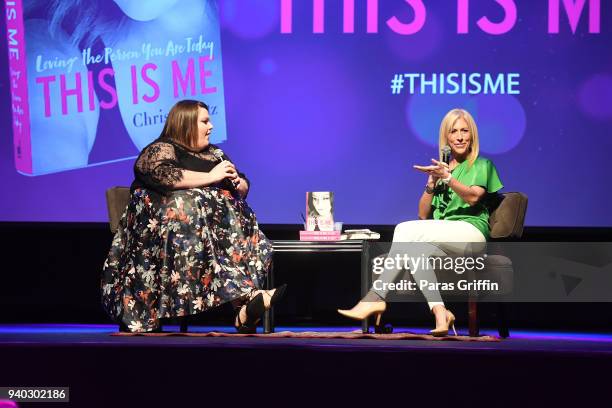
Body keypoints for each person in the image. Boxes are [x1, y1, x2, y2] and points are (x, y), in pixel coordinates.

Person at [101, 100, 284, 333]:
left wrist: (239, 184)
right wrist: (212, 177)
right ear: (186, 123)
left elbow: (243, 182)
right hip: (167, 234)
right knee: (193, 204)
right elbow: (164, 175)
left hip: (212, 232)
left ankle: (245, 308)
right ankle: (245, 303)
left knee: (221, 210)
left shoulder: (214, 154)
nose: (211, 127)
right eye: (205, 121)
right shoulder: (162, 149)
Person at [338, 108, 503, 336]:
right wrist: (432, 181)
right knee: (414, 251)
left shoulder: (482, 164)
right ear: (446, 138)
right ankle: (440, 313)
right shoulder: (443, 170)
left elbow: (473, 195)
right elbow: (423, 215)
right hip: (445, 238)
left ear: (472, 135)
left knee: (403, 230)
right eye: (453, 132)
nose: (460, 136)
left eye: (465, 131)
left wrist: (448, 178)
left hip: (471, 234)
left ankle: (375, 297)